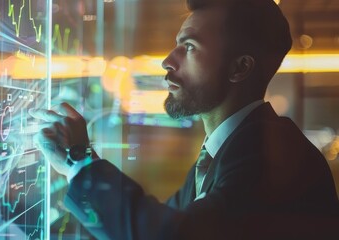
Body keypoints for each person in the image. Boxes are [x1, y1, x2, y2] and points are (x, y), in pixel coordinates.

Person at [30, 0, 339, 239]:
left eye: (189, 47)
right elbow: (164, 221)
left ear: (240, 68)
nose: (167, 60)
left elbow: (174, 236)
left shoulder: (268, 157)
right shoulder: (226, 150)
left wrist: (79, 162)